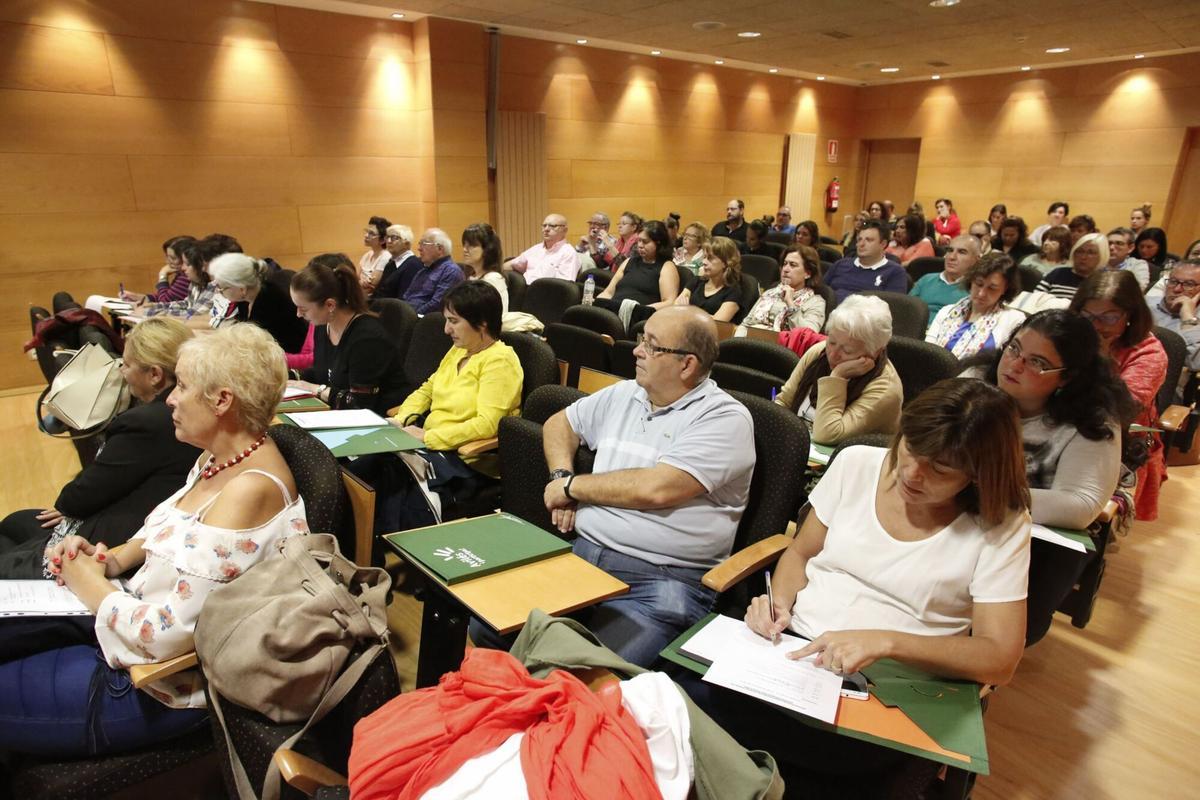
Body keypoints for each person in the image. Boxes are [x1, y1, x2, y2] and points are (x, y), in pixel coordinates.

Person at [688, 378, 1029, 789]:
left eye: (939, 469)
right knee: (683, 701)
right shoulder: (858, 464)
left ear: (977, 476)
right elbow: (800, 553)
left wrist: (886, 642)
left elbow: (1000, 658)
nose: (912, 473)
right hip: (797, 651)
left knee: (816, 759)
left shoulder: (1001, 523)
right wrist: (777, 604)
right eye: (910, 449)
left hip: (891, 684)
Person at [0, 323, 309, 757]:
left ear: (222, 400)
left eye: (182, 385)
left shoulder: (249, 490)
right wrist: (107, 560)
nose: (171, 399)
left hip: (157, 683)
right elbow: (157, 534)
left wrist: (87, 580)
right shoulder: (217, 458)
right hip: (119, 625)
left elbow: (165, 636)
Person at [538, 306, 754, 666]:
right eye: (641, 340)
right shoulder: (625, 394)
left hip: (660, 583)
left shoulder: (725, 418)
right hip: (584, 557)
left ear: (687, 365)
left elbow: (657, 488)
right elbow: (559, 424)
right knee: (495, 629)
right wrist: (560, 477)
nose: (637, 351)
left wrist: (572, 488)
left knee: (587, 676)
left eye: (652, 346)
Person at [965, 310, 1134, 642]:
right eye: (1014, 349)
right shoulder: (974, 382)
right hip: (956, 515)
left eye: (1037, 363)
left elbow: (1080, 504)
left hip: (1032, 541)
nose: (1014, 365)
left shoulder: (1091, 420)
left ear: (1067, 377)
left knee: (990, 627)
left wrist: (976, 495)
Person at [0, 318, 200, 579]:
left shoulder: (149, 423)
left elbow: (79, 499)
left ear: (154, 374)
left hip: (113, 545)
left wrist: (71, 508)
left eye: (126, 365)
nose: (121, 372)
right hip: (133, 527)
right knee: (15, 523)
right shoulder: (186, 416)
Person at [356, 281, 522, 531]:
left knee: (385, 476)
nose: (446, 330)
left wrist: (428, 437)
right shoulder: (459, 350)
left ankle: (380, 545)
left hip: (465, 460)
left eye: (454, 321)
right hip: (431, 444)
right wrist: (401, 419)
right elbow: (427, 390)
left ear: (483, 323)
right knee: (363, 463)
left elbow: (488, 425)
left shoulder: (500, 361)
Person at [1069, 270, 1167, 520]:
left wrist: (1099, 360)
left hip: (1117, 441)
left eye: (1109, 317)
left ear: (1131, 316)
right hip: (1063, 424)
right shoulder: (1070, 335)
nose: (1096, 326)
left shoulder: (1149, 353)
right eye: (1088, 316)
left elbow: (1119, 410)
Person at [776, 294, 902, 445]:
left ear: (875, 352)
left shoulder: (886, 389)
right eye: (832, 342)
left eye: (847, 351)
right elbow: (783, 403)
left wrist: (836, 377)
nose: (833, 355)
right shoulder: (819, 352)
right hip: (794, 446)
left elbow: (828, 436)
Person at [288, 254, 406, 414]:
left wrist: (315, 389)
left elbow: (359, 403)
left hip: (379, 418)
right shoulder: (323, 326)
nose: (298, 315)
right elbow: (322, 373)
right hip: (338, 413)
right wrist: (287, 378)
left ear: (330, 305)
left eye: (303, 309)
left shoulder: (367, 338)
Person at [926, 253, 1024, 358]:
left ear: (1005, 289)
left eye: (992, 288)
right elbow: (927, 352)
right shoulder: (946, 311)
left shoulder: (1013, 320)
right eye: (979, 284)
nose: (981, 293)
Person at [207, 252, 309, 353]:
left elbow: (258, 348)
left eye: (222, 288)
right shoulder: (246, 299)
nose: (219, 291)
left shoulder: (271, 301)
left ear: (242, 289)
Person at [594, 220, 680, 328]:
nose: (640, 245)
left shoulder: (667, 267)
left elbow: (669, 302)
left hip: (639, 320)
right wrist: (597, 305)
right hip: (612, 313)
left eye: (645, 242)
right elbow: (608, 293)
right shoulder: (628, 262)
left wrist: (639, 310)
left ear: (658, 243)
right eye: (639, 241)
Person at [141, 234, 239, 325]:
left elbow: (202, 318)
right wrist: (155, 307)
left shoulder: (225, 286)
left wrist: (158, 314)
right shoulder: (204, 283)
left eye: (187, 264)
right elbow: (188, 304)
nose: (183, 268)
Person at [742, 244, 826, 332]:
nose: (785, 269)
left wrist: (790, 305)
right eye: (785, 264)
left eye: (793, 265)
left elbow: (807, 335)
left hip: (780, 344)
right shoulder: (770, 293)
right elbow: (745, 323)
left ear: (807, 273)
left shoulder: (816, 302)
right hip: (751, 341)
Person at [1150, 260, 1200, 402]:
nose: (1177, 289)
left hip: (1166, 392)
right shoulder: (1146, 305)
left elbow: (1195, 363)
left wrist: (1188, 317)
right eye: (1173, 282)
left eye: (1189, 284)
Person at [823, 219, 907, 304]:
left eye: (869, 240)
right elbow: (820, 293)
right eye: (859, 239)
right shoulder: (840, 264)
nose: (861, 244)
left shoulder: (895, 272)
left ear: (883, 244)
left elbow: (891, 308)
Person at [910, 233, 977, 325]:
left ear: (976, 260)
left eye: (962, 252)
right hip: (915, 332)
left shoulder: (977, 289)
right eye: (950, 250)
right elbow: (907, 312)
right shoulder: (926, 280)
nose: (952, 257)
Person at [673, 236, 743, 323]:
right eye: (704, 257)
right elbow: (675, 308)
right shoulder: (697, 281)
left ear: (726, 262)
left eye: (710, 258)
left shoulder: (734, 291)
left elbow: (718, 322)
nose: (704, 262)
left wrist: (688, 311)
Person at [120, 236, 196, 306]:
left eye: (173, 258)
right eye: (167, 257)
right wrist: (136, 297)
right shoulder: (181, 274)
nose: (168, 262)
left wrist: (163, 276)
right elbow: (163, 297)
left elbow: (164, 302)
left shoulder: (186, 277)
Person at [403, 228, 465, 314]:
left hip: (426, 322)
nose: (419, 248)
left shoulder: (451, 271)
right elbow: (407, 296)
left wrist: (412, 316)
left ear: (439, 249)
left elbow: (437, 304)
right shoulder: (423, 270)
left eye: (424, 244)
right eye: (420, 243)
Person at [503, 213, 579, 283]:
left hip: (548, 295)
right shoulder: (536, 249)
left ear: (565, 230)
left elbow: (565, 286)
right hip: (525, 293)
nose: (546, 229)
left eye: (553, 226)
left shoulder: (568, 253)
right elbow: (512, 264)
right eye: (544, 225)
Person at [1036, 232, 1107, 300]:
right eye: (1080, 251)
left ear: (1102, 256)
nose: (1083, 257)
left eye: (1091, 253)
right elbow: (1035, 299)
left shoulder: (1103, 282)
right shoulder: (1058, 274)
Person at [461, 223, 508, 313]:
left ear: (487, 249)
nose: (465, 249)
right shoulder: (472, 277)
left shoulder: (493, 279)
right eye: (464, 244)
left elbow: (491, 316)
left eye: (471, 245)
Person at [374, 224, 421, 300]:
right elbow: (379, 293)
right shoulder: (390, 264)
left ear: (406, 243)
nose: (388, 241)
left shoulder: (413, 265)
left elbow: (403, 300)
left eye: (394, 238)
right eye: (387, 237)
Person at [358, 216, 392, 291]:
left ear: (383, 240)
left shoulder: (386, 257)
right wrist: (360, 283)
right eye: (367, 231)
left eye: (371, 233)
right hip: (359, 295)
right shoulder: (367, 255)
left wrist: (359, 283)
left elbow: (371, 285)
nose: (366, 235)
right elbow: (355, 279)